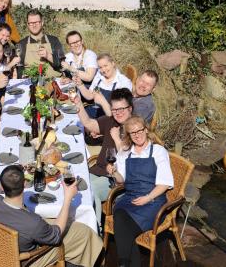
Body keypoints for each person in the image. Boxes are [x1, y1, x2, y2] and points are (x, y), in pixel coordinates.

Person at [0, 165, 102, 267]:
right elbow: (56, 235)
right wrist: (68, 198)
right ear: (24, 184)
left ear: (1, 185)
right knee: (84, 233)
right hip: (25, 260)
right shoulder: (33, 223)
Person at [109, 116, 173, 267]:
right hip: (131, 197)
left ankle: (123, 263)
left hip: (153, 200)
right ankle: (125, 263)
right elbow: (120, 180)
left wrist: (148, 197)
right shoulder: (126, 152)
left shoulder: (158, 151)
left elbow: (164, 184)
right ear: (129, 136)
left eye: (140, 131)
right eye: (133, 133)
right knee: (119, 213)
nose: (137, 135)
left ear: (146, 130)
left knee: (124, 226)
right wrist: (114, 172)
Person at [73, 88, 133, 225]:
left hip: (115, 180)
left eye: (121, 109)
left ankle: (95, 230)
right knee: (75, 183)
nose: (117, 113)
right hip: (98, 170)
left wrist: (116, 139)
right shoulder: (111, 121)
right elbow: (89, 123)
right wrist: (79, 105)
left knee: (89, 192)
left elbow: (128, 158)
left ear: (130, 108)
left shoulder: (135, 130)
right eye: (114, 109)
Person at [74, 53, 132, 119]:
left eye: (105, 65)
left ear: (113, 63)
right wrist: (80, 84)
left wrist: (103, 102)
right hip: (94, 110)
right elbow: (90, 96)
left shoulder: (123, 82)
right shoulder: (99, 76)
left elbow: (121, 114)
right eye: (100, 67)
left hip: (109, 118)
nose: (103, 70)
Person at [16, 9, 65, 78]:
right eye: (31, 23)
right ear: (27, 24)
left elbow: (63, 64)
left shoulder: (54, 40)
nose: (34, 25)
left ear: (42, 22)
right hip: (32, 84)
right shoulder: (21, 44)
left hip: (54, 82)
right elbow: (19, 68)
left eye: (37, 22)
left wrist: (48, 56)